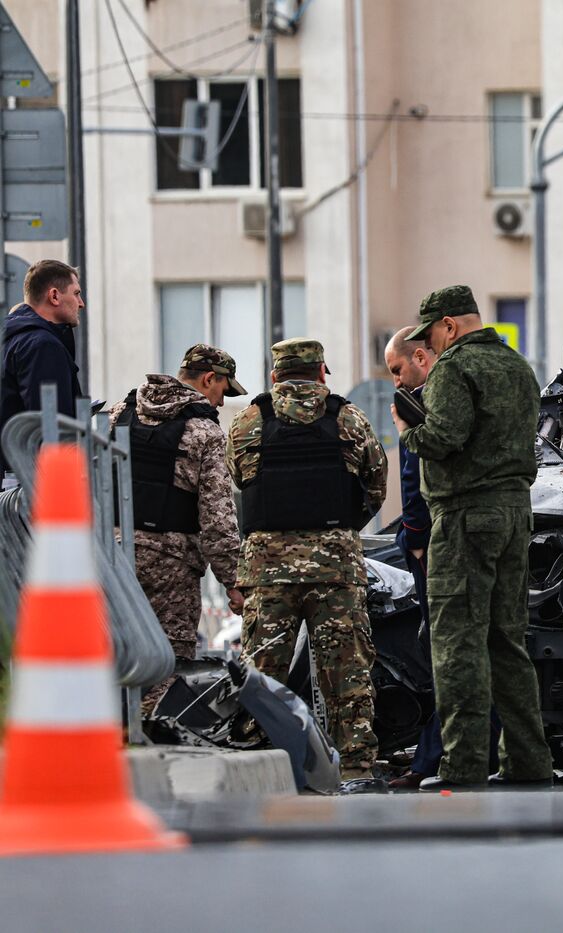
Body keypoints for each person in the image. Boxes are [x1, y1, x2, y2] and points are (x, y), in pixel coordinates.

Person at [394, 285, 553, 790]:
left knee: (457, 644)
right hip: (515, 514)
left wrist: (405, 427)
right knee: (508, 644)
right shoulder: (519, 368)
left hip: (465, 517)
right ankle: (528, 765)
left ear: (448, 325)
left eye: (432, 333)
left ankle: (462, 769)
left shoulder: (452, 368)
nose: (432, 344)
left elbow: (442, 438)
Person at [227, 338, 389, 792]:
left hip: (269, 571)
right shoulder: (350, 419)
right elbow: (375, 485)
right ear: (321, 372)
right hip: (335, 569)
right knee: (347, 673)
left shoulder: (247, 422)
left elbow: (239, 480)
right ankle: (355, 767)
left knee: (262, 672)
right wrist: (339, 528)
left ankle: (258, 765)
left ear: (275, 376)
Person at [109, 345, 246, 712]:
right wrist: (233, 581)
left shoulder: (119, 415)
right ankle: (152, 746)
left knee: (112, 654)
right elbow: (217, 518)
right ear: (208, 379)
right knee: (166, 663)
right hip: (171, 565)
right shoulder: (204, 431)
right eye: (223, 390)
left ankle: (109, 743)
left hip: (112, 559)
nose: (220, 402)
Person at [382, 326, 444, 788]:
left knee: (442, 657)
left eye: (398, 369)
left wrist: (417, 538)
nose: (397, 382)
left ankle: (432, 761)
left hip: (437, 546)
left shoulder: (426, 404)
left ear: (421, 357)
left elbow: (413, 478)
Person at [1, 260, 85, 477]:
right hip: (30, 483)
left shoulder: (12, 338)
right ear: (54, 296)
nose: (81, 303)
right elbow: (50, 426)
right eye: (76, 293)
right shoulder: (43, 345)